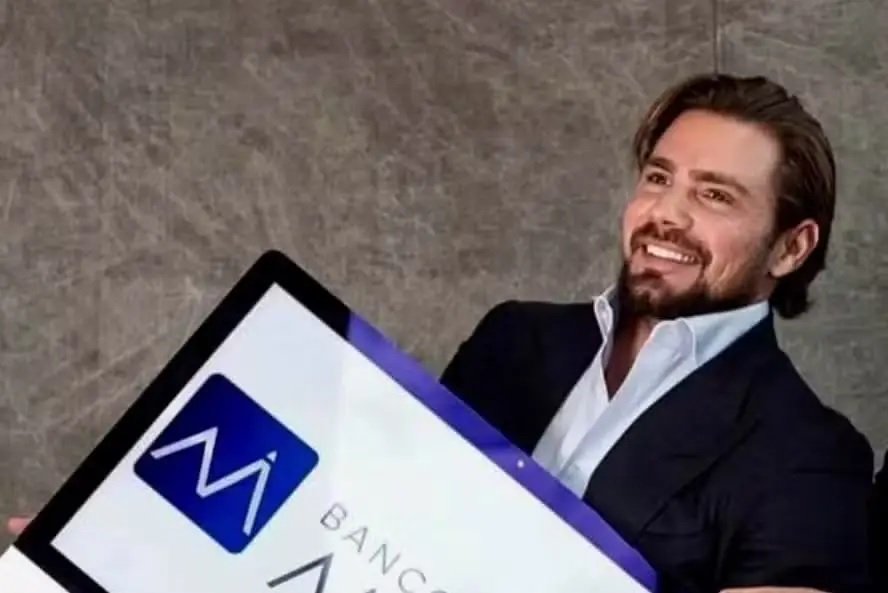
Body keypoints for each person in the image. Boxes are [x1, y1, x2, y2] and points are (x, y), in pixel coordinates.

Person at [439, 73, 874, 593]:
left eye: (714, 195)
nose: (665, 213)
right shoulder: (511, 341)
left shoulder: (811, 456)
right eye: (658, 178)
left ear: (790, 248)